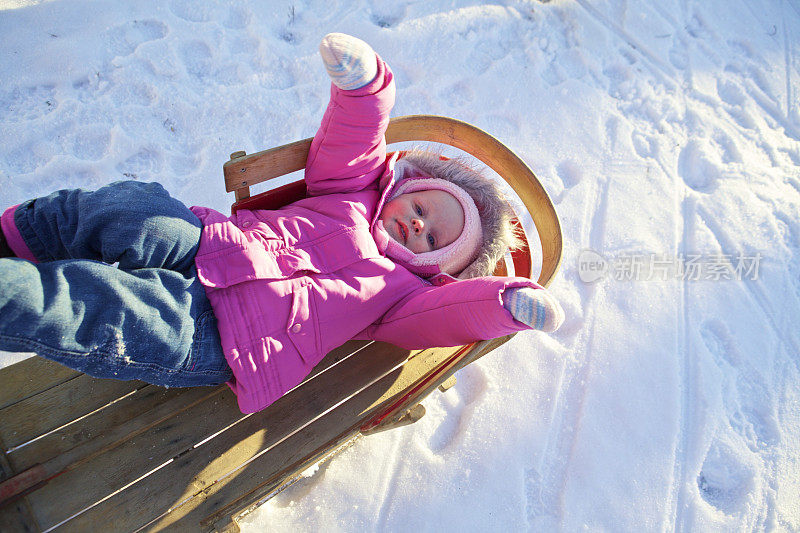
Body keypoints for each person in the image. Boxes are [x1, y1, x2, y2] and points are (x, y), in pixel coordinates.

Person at [0, 33, 563, 414]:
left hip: (228, 339)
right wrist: (366, 91)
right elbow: (352, 143)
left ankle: (10, 293)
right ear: (405, 189)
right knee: (131, 207)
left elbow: (448, 316)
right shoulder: (355, 192)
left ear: (440, 266)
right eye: (420, 209)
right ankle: (16, 236)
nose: (417, 227)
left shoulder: (403, 297)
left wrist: (506, 303)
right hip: (212, 247)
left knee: (96, 308)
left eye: (436, 239)